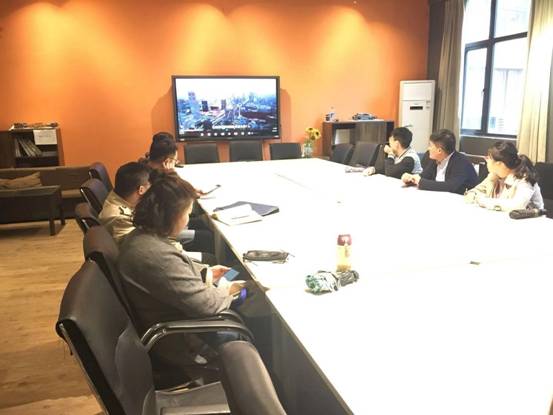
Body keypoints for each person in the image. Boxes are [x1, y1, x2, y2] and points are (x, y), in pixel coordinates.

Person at [118, 171, 246, 335]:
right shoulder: (156, 256)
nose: (187, 220)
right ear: (174, 215)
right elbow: (206, 305)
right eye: (187, 214)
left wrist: (207, 274)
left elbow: (172, 278)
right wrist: (230, 290)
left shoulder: (142, 236)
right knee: (256, 291)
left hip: (189, 303)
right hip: (189, 333)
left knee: (236, 271)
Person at [464, 141, 544, 211]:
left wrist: (484, 201)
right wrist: (473, 195)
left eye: (489, 158)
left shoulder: (525, 179)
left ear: (499, 164)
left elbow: (517, 206)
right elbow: (476, 191)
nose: (486, 161)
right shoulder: (494, 175)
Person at [401, 129, 478, 194]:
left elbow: (450, 186)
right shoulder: (434, 159)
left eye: (430, 145)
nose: (428, 148)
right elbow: (424, 177)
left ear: (439, 151)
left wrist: (420, 181)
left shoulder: (461, 162)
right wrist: (410, 179)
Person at [98, 162, 151, 243]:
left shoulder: (118, 194)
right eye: (150, 186)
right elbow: (141, 243)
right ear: (141, 190)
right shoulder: (120, 218)